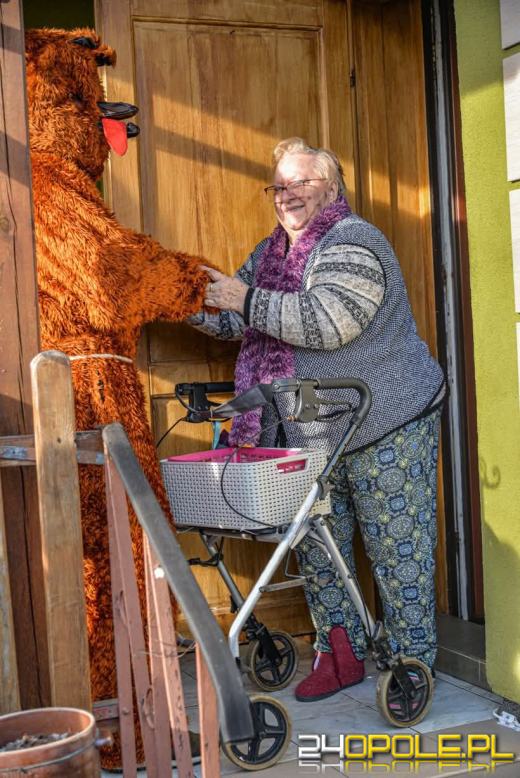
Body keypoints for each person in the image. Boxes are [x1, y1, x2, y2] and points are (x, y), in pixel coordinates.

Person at [188, 137, 445, 702]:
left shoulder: (356, 241)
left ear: (331, 186)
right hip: (314, 428)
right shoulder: (272, 253)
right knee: (318, 549)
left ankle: (410, 667)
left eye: (299, 183)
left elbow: (328, 321)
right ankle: (341, 656)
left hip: (387, 421)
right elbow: (239, 321)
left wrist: (241, 298)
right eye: (278, 186)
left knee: (397, 549)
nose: (286, 196)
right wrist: (182, 293)